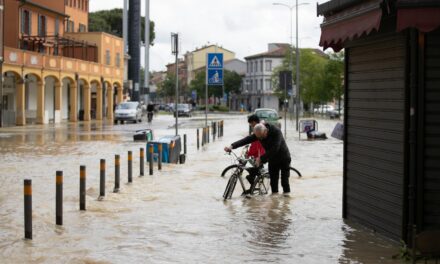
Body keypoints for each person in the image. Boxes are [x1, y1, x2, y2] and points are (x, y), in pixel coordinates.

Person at [225, 123, 292, 196]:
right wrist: (232, 146)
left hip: (284, 158)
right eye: (258, 137)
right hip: (271, 159)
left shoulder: (276, 132)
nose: (261, 139)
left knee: (284, 181)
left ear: (266, 131)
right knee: (273, 182)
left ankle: (286, 200)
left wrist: (261, 158)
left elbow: (275, 149)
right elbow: (246, 140)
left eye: (262, 137)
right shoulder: (259, 134)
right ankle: (275, 201)